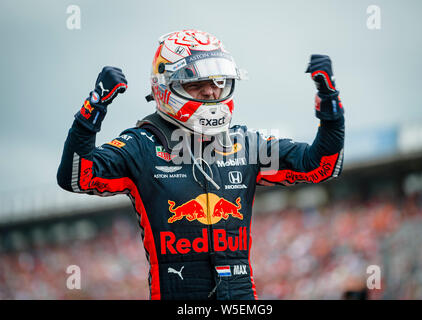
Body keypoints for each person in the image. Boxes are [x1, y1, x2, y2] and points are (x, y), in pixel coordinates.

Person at [57, 29, 345, 300]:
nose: (210, 92)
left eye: (217, 82)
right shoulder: (140, 146)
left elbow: (322, 165)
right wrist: (92, 110)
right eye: (196, 84)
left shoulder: (246, 144)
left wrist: (330, 104)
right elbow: (76, 177)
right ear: (165, 88)